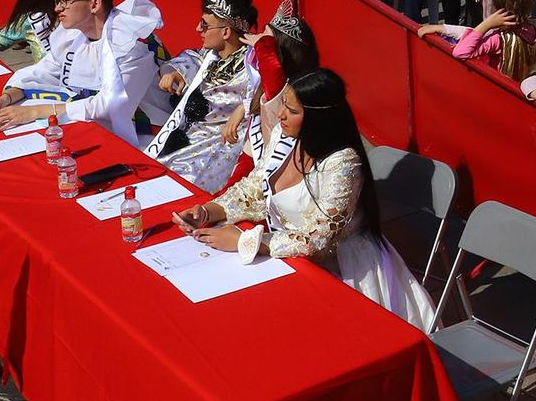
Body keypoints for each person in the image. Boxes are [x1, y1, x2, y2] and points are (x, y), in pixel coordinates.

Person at [175, 69, 436, 331]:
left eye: (292, 110)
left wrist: (244, 242)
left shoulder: (343, 163)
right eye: (284, 106)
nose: (281, 115)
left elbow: (318, 237)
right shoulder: (283, 136)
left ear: (318, 118)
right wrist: (210, 211)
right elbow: (255, 188)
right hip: (289, 260)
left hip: (343, 272)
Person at [0, 0, 166, 146]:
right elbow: (44, 71)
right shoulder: (74, 36)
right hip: (96, 126)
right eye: (58, 1)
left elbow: (110, 105)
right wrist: (6, 98)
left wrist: (35, 111)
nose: (57, 9)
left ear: (95, 4)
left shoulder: (130, 44)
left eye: (66, 1)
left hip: (147, 135)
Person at [147, 0, 262, 194]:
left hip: (221, 144)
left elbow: (271, 91)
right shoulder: (210, 56)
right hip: (189, 135)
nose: (198, 29)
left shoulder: (252, 67)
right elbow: (190, 58)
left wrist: (243, 110)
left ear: (226, 32)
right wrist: (175, 73)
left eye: (205, 25)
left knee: (184, 186)